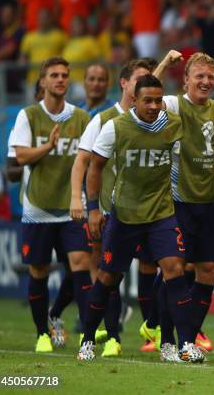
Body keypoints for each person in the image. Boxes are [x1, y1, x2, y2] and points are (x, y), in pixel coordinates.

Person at [78, 74, 203, 363]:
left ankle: (181, 344)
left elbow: (184, 160)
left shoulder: (172, 125)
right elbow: (95, 167)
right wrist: (93, 209)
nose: (153, 105)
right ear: (133, 100)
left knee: (175, 269)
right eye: (147, 100)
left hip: (162, 213)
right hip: (125, 214)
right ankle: (87, 340)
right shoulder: (116, 127)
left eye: (158, 100)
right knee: (109, 276)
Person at [154, 50, 214, 352]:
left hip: (206, 204)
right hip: (177, 202)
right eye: (199, 76)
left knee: (208, 272)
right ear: (186, 79)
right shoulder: (174, 105)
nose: (205, 82)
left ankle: (188, 339)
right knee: (174, 269)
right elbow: (145, 95)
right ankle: (167, 341)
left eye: (210, 77)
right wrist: (165, 63)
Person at [69, 59, 154, 357]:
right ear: (125, 83)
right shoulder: (104, 119)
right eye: (140, 80)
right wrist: (79, 201)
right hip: (108, 210)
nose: (146, 85)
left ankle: (154, 329)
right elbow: (82, 161)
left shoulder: (156, 118)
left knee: (156, 266)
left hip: (147, 211)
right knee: (109, 273)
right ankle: (113, 336)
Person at [9, 57, 91, 353]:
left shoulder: (81, 118)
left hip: (72, 206)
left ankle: (88, 333)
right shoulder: (28, 116)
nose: (60, 79)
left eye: (65, 75)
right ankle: (42, 333)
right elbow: (18, 158)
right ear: (42, 82)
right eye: (54, 75)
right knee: (39, 270)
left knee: (81, 263)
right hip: (38, 208)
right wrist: (46, 147)